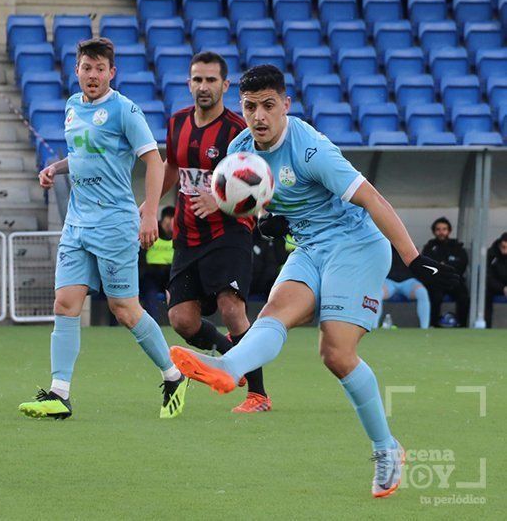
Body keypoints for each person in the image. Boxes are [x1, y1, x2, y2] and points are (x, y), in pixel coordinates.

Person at [167, 64, 459, 497]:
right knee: (273, 314)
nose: (259, 116)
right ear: (241, 108)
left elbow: (372, 199)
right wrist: (270, 219)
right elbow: (257, 199)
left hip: (356, 245)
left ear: (286, 104)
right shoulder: (241, 147)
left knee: (335, 353)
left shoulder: (310, 150)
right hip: (309, 249)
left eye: (268, 105)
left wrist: (414, 260)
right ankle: (228, 368)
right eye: (250, 107)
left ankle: (386, 449)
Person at [18, 37, 188, 421]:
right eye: (86, 68)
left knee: (124, 309)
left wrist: (149, 215)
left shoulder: (125, 109)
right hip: (77, 222)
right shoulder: (72, 106)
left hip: (114, 221)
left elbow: (155, 162)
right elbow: (82, 153)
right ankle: (59, 394)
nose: (92, 75)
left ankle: (174, 375)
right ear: (76, 71)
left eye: (99, 69)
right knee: (65, 303)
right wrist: (56, 168)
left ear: (112, 73)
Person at [156, 50, 271, 413]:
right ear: (189, 83)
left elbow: (258, 181)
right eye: (197, 79)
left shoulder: (238, 130)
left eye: (210, 80)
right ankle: (229, 359)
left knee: (230, 307)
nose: (203, 87)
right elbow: (172, 169)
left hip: (230, 232)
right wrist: (148, 205)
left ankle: (259, 395)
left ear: (225, 84)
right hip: (187, 236)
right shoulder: (177, 124)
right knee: (181, 319)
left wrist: (219, 198)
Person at [421, 217, 470, 327]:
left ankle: (461, 325)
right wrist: (444, 267)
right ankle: (433, 325)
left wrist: (443, 266)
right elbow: (426, 265)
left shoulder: (457, 247)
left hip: (454, 280)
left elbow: (462, 264)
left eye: (444, 229)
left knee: (464, 298)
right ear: (434, 231)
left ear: (449, 231)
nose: (441, 232)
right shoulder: (429, 247)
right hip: (437, 281)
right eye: (438, 229)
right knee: (435, 297)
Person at [378, 245, 429, 329]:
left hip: (408, 282)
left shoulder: (410, 246)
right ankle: (373, 328)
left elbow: (418, 266)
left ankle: (424, 329)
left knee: (422, 292)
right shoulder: (384, 246)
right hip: (389, 282)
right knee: (377, 293)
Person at [139, 206, 175, 322]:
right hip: (151, 274)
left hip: (170, 274)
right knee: (150, 292)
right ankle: (151, 321)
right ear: (167, 219)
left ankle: (177, 320)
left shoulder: (178, 236)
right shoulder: (152, 232)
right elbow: (142, 257)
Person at [251, 228, 288, 300]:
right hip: (244, 289)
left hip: (262, 290)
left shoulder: (266, 241)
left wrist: (259, 287)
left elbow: (271, 267)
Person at [485, 233, 507, 328]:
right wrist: (503, 288)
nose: (505, 251)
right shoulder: (491, 254)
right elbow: (488, 277)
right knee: (485, 295)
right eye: (503, 247)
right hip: (495, 286)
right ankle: (486, 325)